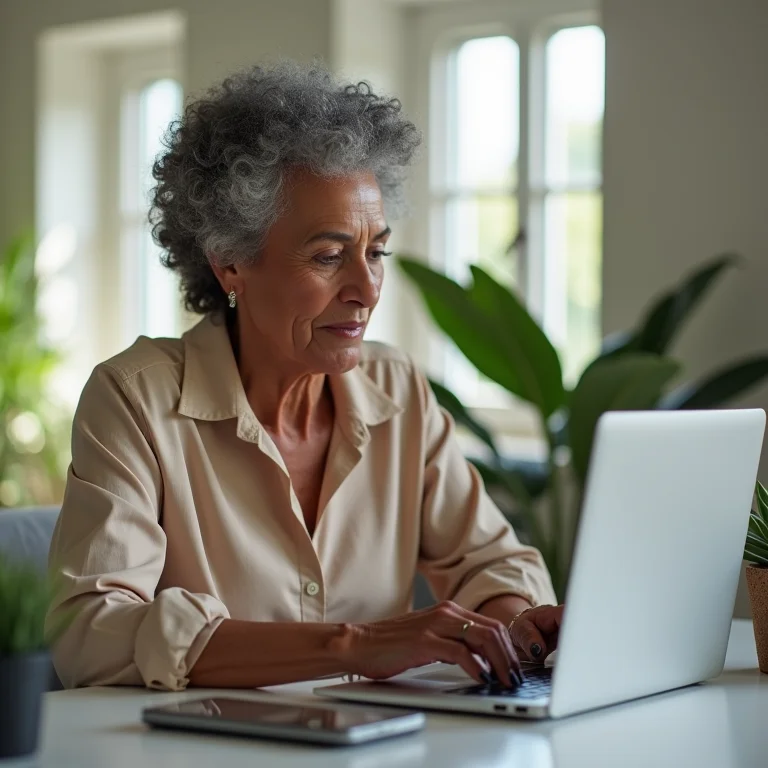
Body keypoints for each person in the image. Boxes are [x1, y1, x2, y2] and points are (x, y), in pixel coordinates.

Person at [46, 61, 562, 692]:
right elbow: (92, 633)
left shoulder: (396, 389)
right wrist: (354, 646)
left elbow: (491, 563)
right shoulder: (137, 400)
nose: (366, 290)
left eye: (376, 253)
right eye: (327, 256)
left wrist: (519, 626)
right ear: (231, 262)